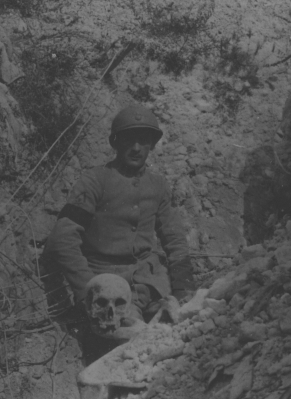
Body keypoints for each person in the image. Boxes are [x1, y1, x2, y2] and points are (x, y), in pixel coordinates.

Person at [42, 104, 194, 330]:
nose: (135, 148)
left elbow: (175, 239)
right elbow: (62, 239)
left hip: (151, 283)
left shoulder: (158, 185)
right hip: (109, 287)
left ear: (152, 144)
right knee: (128, 340)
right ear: (115, 143)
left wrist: (183, 289)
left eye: (143, 140)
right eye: (128, 140)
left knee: (182, 327)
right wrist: (88, 290)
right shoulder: (94, 181)